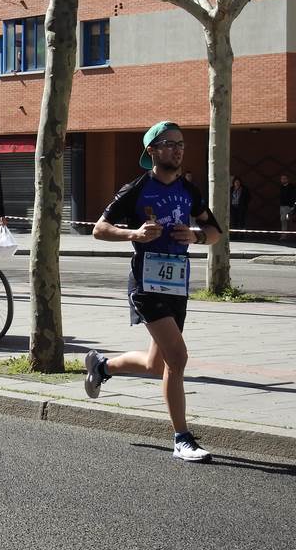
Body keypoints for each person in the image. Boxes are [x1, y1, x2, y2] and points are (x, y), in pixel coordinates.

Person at [86, 121, 222, 463]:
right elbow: (99, 229)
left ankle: (102, 366)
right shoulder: (135, 189)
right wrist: (133, 235)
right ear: (152, 151)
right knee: (178, 359)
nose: (177, 149)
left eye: (181, 144)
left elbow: (214, 231)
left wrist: (196, 236)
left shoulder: (190, 191)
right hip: (146, 284)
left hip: (177, 284)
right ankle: (182, 438)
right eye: (168, 143)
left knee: (154, 363)